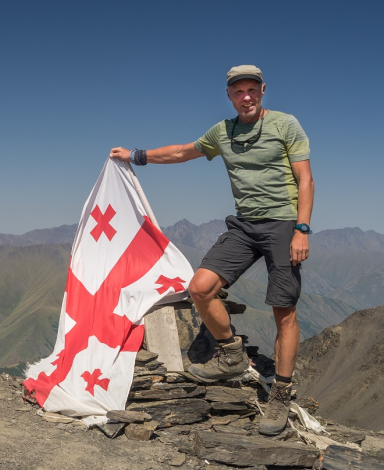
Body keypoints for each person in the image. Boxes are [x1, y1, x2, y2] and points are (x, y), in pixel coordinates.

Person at [109, 65, 313, 436]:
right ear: (229, 95)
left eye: (252, 90)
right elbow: (184, 152)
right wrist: (136, 155)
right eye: (239, 91)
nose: (246, 97)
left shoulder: (286, 125)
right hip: (244, 224)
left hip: (283, 224)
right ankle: (231, 354)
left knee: (284, 311)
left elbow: (305, 178)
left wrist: (301, 229)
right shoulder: (224, 131)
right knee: (200, 287)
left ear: (263, 91)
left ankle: (280, 394)